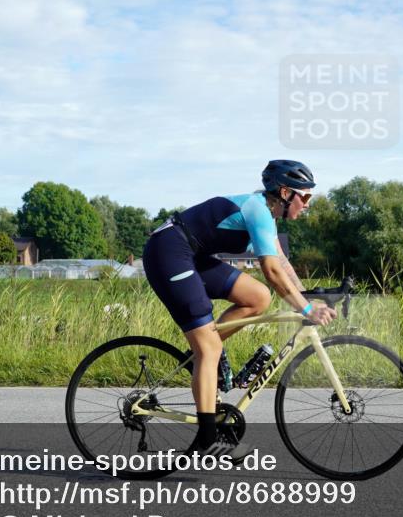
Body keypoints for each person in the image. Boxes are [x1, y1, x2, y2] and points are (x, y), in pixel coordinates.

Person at [142, 160, 337, 460]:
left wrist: (309, 296)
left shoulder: (265, 214)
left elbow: (281, 263)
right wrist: (307, 309)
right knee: (208, 348)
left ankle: (208, 360)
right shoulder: (258, 210)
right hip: (168, 251)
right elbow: (271, 271)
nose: (308, 204)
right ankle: (207, 440)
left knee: (258, 297)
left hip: (192, 254)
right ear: (285, 193)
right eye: (305, 196)